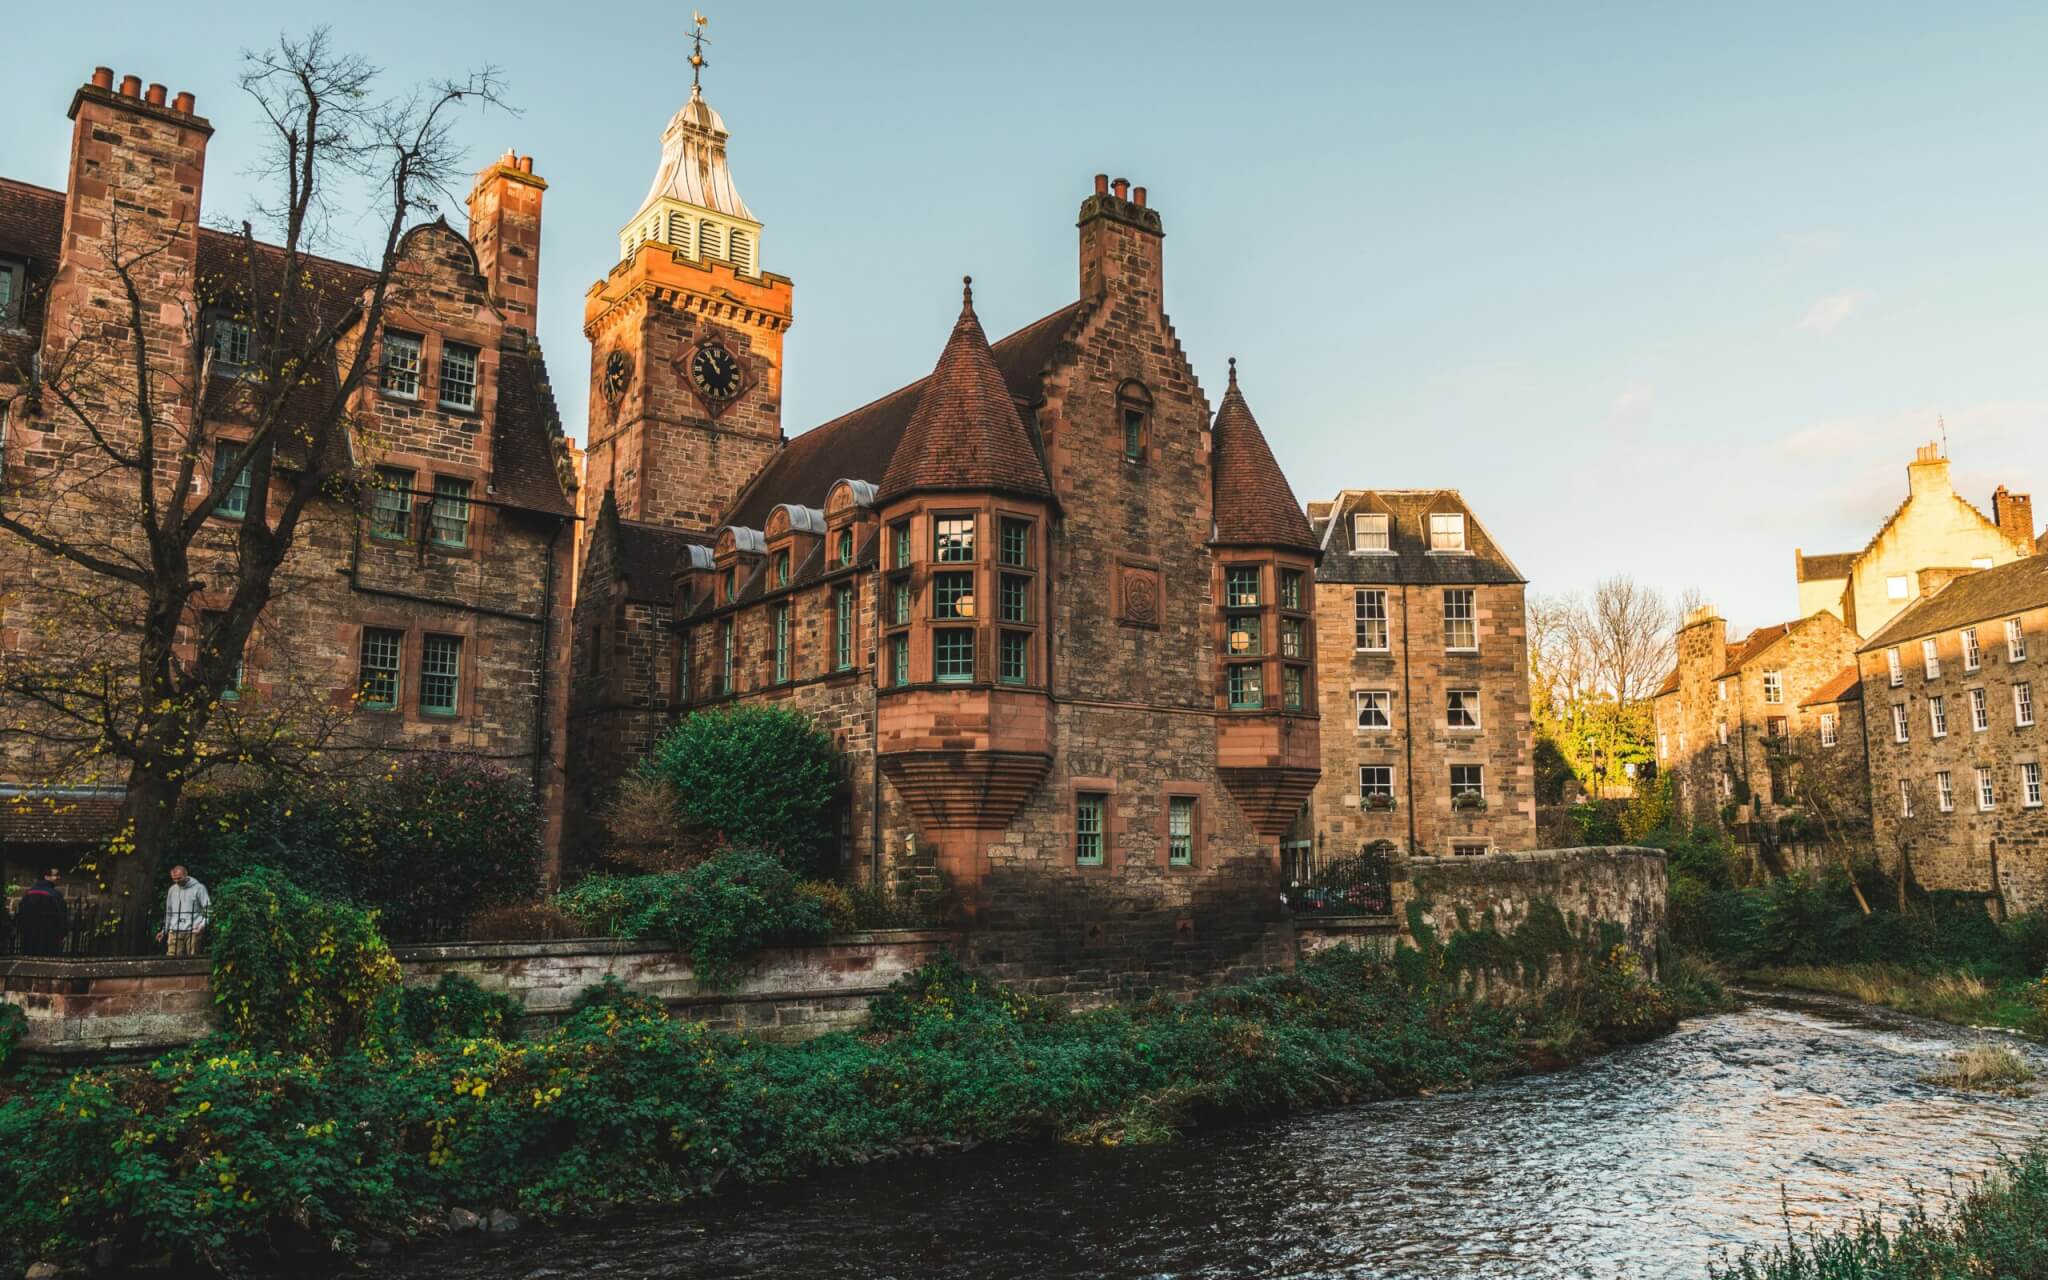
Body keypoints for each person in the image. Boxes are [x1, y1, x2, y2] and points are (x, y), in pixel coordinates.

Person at [156, 865, 211, 957]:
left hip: (193, 929)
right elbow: (169, 912)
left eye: (179, 878)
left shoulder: (199, 888)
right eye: (174, 879)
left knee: (193, 959)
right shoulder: (172, 890)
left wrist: (203, 925)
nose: (177, 881)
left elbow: (207, 908)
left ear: (186, 874)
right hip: (174, 930)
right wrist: (164, 930)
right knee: (171, 959)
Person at [15, 867, 67, 956]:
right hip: (49, 937)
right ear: (46, 877)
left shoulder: (29, 892)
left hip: (30, 935)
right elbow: (61, 916)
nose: (59, 877)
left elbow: (21, 913)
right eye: (56, 875)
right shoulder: (55, 894)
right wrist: (62, 935)